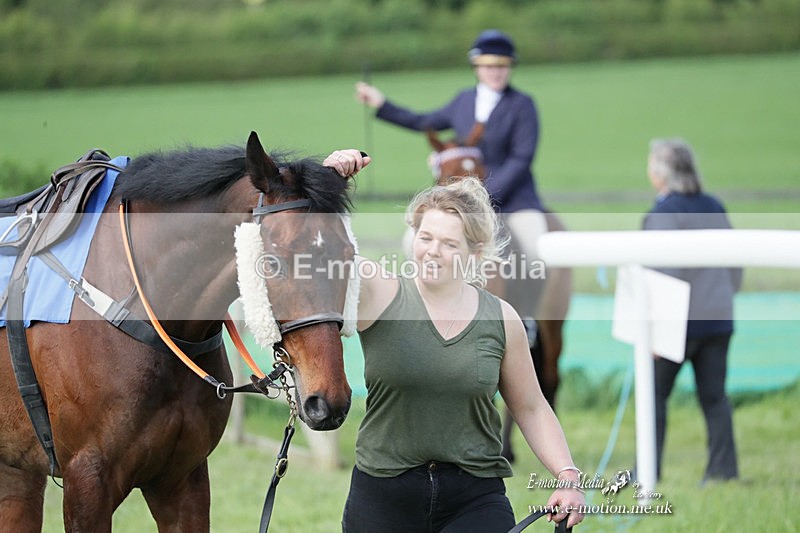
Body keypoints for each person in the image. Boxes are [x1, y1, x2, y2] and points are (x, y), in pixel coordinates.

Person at [324, 150, 585, 532]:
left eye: (449, 243)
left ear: (474, 253)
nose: (432, 250)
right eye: (424, 236)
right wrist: (329, 181)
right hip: (383, 494)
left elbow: (531, 407)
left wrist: (567, 476)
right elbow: (321, 247)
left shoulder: (502, 318)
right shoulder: (378, 292)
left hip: (475, 496)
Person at [357, 28, 555, 463]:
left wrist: (483, 201)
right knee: (416, 239)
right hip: (465, 202)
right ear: (477, 67)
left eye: (502, 66)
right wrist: (382, 105)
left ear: (509, 69)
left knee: (538, 247)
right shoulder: (464, 102)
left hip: (514, 199)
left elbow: (522, 159)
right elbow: (425, 121)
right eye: (488, 65)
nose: (495, 72)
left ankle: (529, 318)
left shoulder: (524, 107)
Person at [643, 138, 741, 483]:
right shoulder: (714, 206)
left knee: (653, 397)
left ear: (659, 174)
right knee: (715, 399)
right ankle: (723, 472)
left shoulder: (662, 214)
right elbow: (736, 266)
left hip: (677, 325)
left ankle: (648, 473)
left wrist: (655, 329)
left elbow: (662, 274)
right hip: (718, 318)